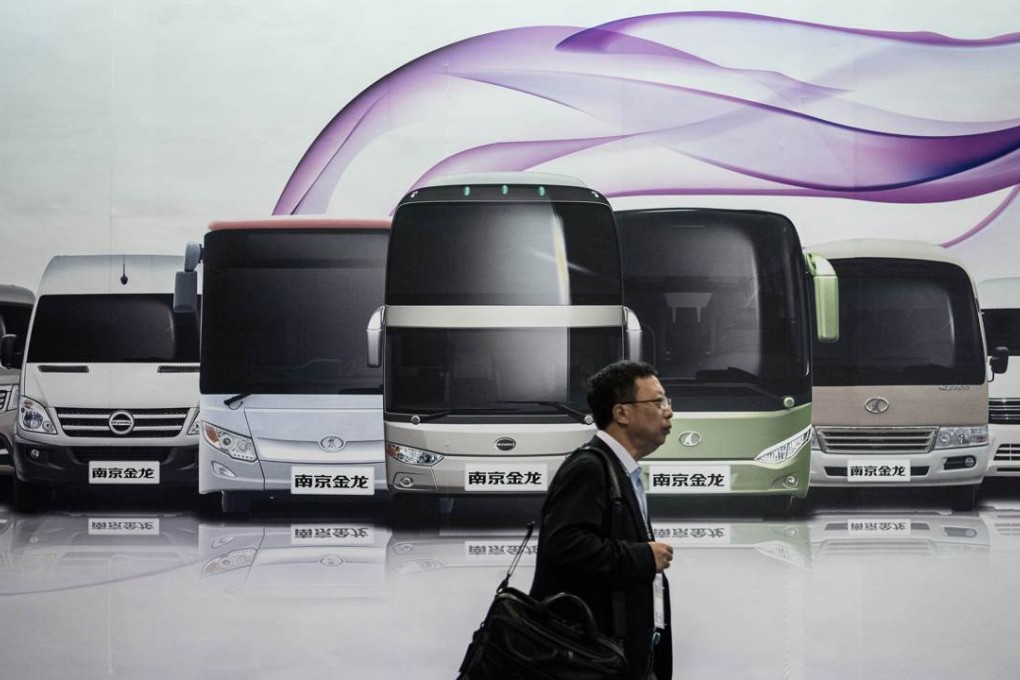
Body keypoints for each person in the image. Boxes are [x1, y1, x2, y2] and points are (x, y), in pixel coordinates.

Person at [531, 360, 674, 680]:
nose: (668, 411)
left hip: (618, 658)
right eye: (657, 401)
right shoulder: (590, 467)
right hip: (590, 659)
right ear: (621, 413)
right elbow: (565, 546)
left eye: (667, 401)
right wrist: (643, 556)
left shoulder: (619, 469)